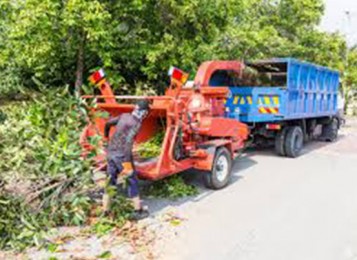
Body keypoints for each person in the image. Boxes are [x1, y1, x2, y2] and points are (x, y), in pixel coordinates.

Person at [103, 99, 150, 220]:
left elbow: (108, 124)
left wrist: (106, 137)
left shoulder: (124, 116)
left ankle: (105, 212)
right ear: (144, 113)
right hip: (122, 156)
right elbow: (128, 143)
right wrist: (128, 164)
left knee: (110, 182)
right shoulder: (136, 124)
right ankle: (138, 211)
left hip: (111, 153)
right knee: (132, 180)